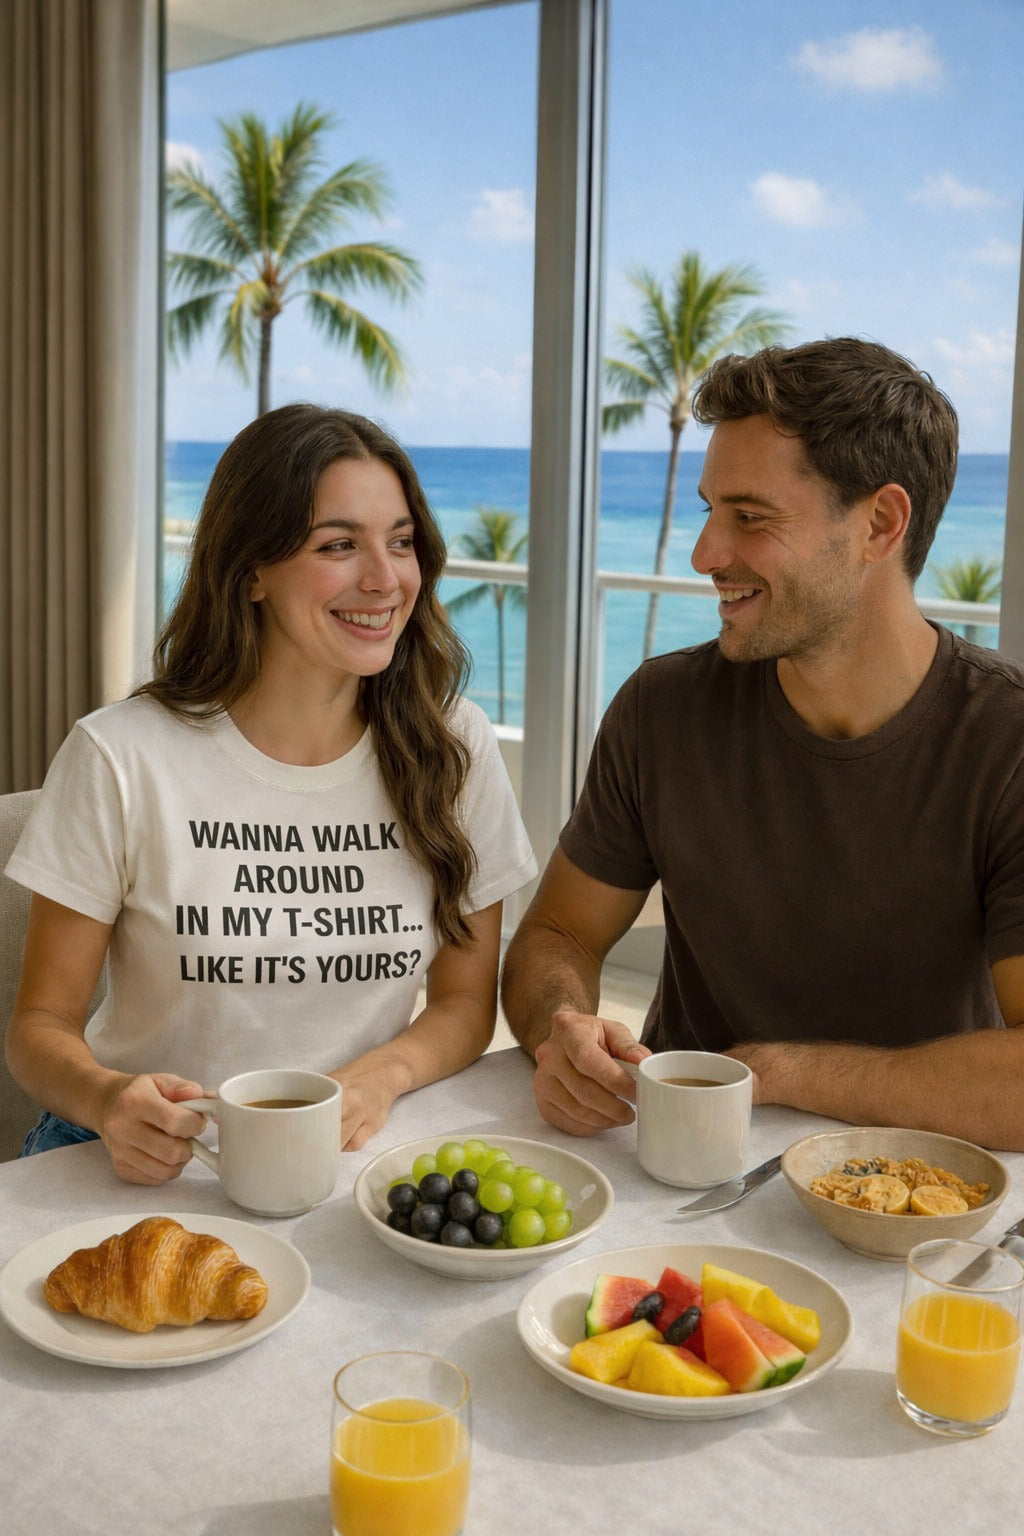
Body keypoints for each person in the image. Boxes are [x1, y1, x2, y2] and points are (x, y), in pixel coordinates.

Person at [501, 337, 1024, 1151]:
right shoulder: (662, 708)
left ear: (880, 524)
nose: (706, 554)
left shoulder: (1007, 741)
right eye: (710, 511)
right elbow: (558, 934)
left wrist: (783, 1075)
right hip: (678, 1161)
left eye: (749, 517)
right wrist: (560, 1023)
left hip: (910, 1186)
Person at [5, 404, 536, 1182]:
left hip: (348, 1158)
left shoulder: (455, 746)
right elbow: (39, 1026)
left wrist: (381, 1076)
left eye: (401, 542)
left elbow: (462, 1005)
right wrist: (109, 1098)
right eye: (338, 546)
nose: (386, 579)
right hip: (139, 1162)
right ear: (252, 569)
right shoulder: (120, 754)